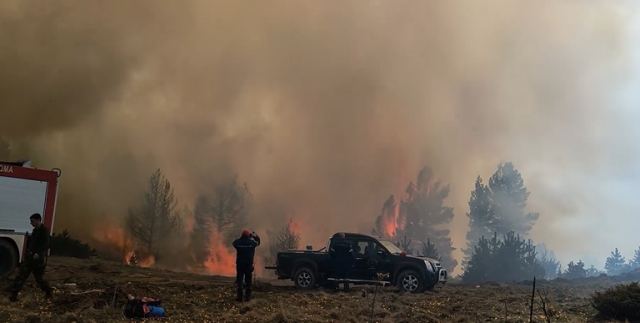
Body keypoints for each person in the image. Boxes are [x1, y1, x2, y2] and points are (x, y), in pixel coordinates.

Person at [9, 213, 53, 302]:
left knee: (39, 279)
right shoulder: (35, 231)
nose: (31, 223)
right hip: (30, 258)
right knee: (21, 276)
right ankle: (14, 295)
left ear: (38, 220)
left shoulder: (44, 231)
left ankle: (48, 292)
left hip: (38, 259)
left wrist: (38, 253)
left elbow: (46, 244)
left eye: (32, 221)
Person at [232, 229, 260, 302]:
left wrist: (241, 238)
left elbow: (234, 243)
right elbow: (258, 242)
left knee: (240, 281)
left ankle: (239, 298)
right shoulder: (252, 243)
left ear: (242, 235)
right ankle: (247, 298)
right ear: (248, 236)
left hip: (240, 264)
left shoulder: (238, 243)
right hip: (248, 265)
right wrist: (254, 236)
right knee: (248, 281)